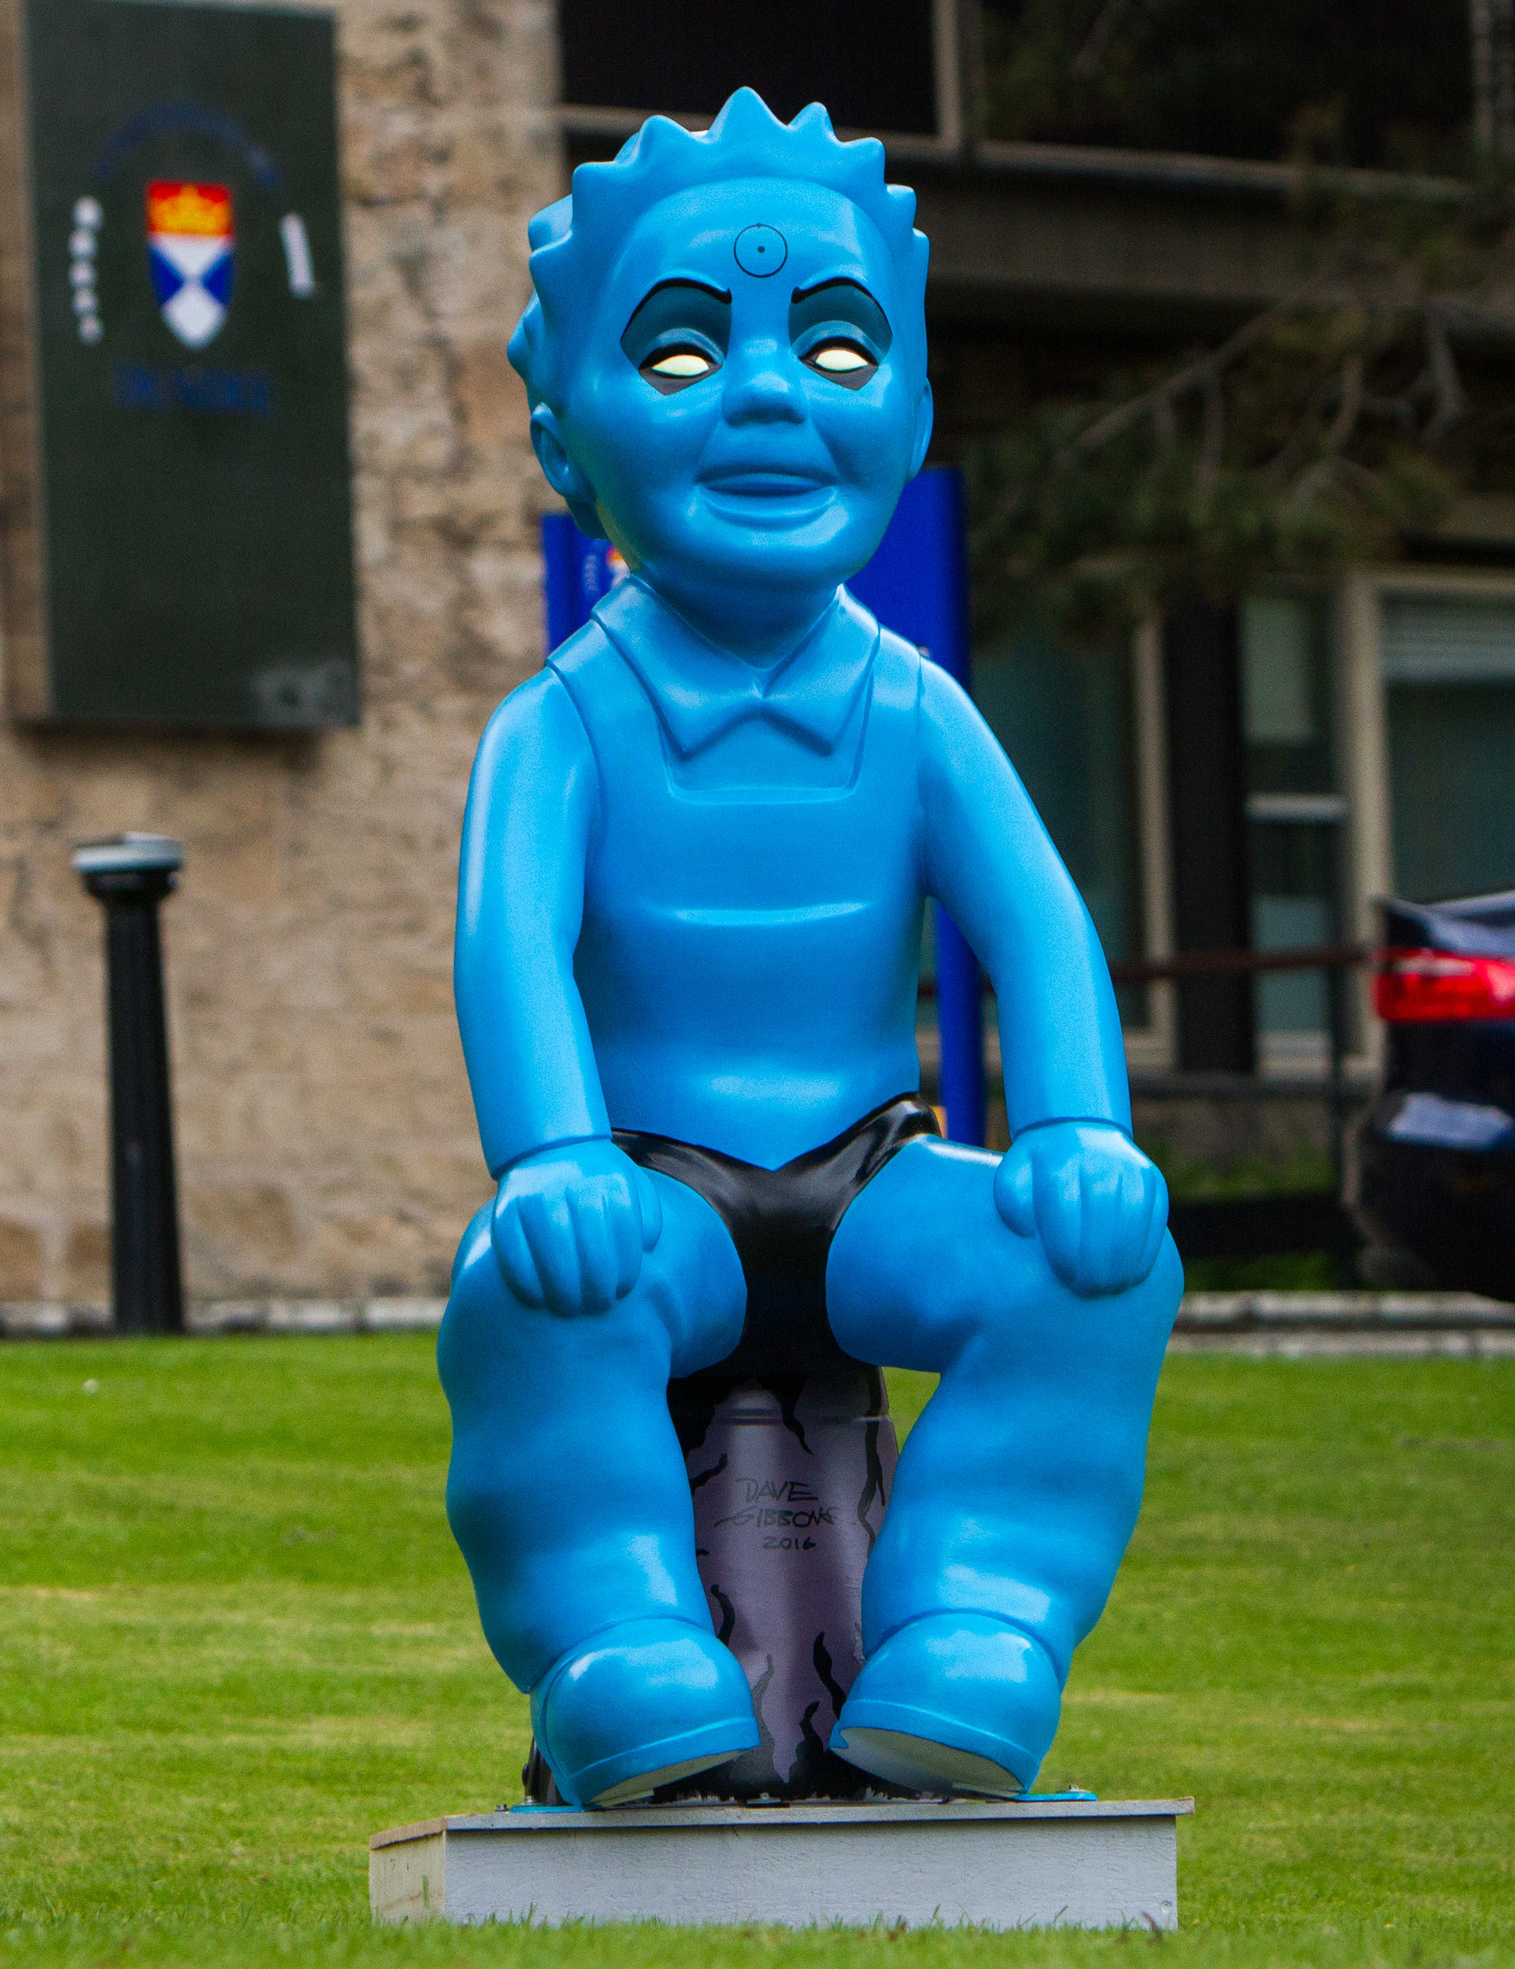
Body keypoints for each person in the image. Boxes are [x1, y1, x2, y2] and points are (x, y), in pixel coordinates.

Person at [437, 90, 1181, 1810]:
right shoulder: (560, 723)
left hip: (871, 1182)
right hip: (658, 1194)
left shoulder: (917, 713)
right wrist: (549, 1158)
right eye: (685, 357)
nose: (770, 394)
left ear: (912, 413)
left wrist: (1078, 1129)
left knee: (1094, 1272)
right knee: (533, 1303)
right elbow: (509, 949)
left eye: (837, 354)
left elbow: (1042, 927)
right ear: (567, 440)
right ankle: (618, 1647)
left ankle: (973, 1635)